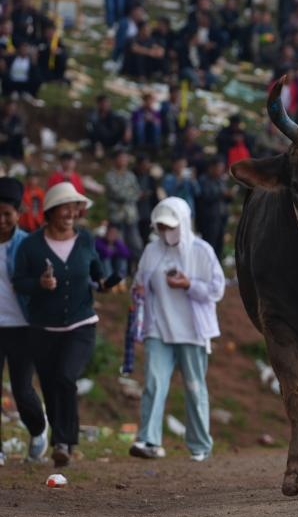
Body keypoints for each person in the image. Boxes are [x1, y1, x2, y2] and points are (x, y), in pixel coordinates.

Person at [12, 183, 114, 468]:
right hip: (43, 329)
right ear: (51, 211)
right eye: (66, 207)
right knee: (48, 384)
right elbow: (19, 282)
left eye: (75, 207)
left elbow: (97, 273)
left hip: (81, 325)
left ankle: (64, 442)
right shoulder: (31, 245)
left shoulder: (86, 241)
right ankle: (59, 438)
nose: (72, 213)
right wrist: (39, 284)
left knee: (66, 377)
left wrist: (106, 283)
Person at [128, 198, 223, 461]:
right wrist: (138, 289)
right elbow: (140, 281)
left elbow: (217, 290)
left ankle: (200, 445)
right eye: (160, 227)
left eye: (170, 226)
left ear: (182, 222)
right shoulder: (152, 251)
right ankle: (149, 440)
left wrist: (189, 285)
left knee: (194, 387)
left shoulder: (201, 251)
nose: (165, 231)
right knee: (153, 384)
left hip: (192, 331)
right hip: (158, 328)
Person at [0, 177, 47, 466]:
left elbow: (40, 283)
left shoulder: (28, 244)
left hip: (21, 327)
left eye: (7, 214)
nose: (2, 220)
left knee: (22, 388)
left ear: (18, 213)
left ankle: (38, 430)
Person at [104, 147, 143, 265]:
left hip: (131, 216)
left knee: (136, 244)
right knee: (119, 246)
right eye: (121, 157)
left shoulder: (131, 175)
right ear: (115, 159)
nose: (123, 160)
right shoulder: (110, 176)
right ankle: (121, 276)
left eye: (125, 157)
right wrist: (129, 194)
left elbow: (137, 192)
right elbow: (117, 193)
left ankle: (137, 270)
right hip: (116, 217)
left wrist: (129, 194)